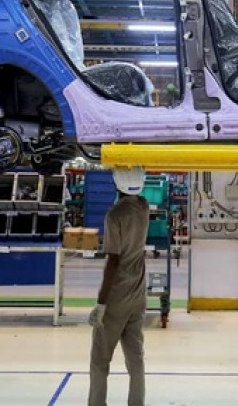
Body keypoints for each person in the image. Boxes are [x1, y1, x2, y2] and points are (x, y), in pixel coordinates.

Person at [88, 167, 150, 406]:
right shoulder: (143, 208)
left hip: (116, 297)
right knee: (136, 358)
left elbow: (113, 261)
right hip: (138, 294)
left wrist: (101, 303)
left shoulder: (115, 215)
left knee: (100, 360)